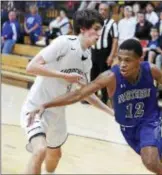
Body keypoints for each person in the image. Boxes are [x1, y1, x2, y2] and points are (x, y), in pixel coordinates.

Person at [27, 39, 162, 174]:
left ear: (139, 60)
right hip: (128, 128)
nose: (122, 64)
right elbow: (79, 94)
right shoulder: (110, 76)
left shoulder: (151, 70)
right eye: (120, 59)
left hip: (150, 122)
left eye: (128, 60)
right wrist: (46, 104)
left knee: (150, 161)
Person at [20, 9, 114, 174]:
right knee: (40, 150)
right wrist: (64, 75)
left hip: (57, 114)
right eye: (97, 28)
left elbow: (85, 93)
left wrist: (111, 112)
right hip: (36, 107)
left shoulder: (87, 58)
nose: (100, 33)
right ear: (83, 28)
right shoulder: (64, 42)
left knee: (54, 157)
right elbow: (31, 67)